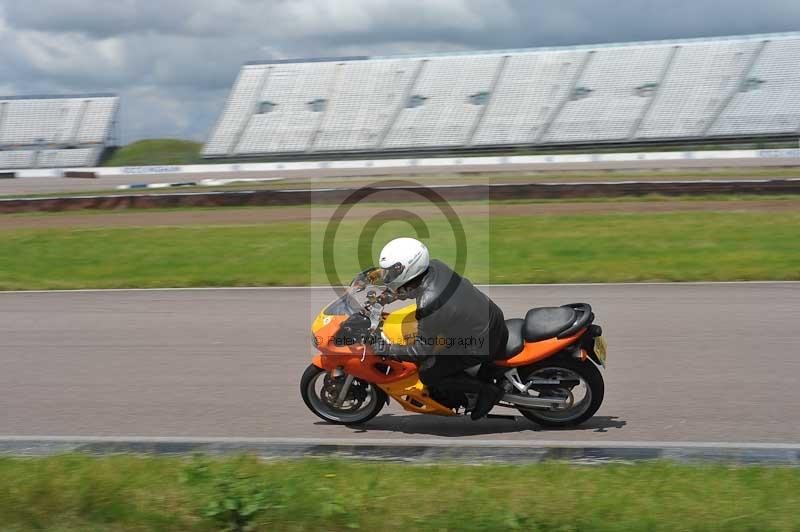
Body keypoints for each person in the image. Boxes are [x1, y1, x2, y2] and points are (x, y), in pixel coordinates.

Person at [373, 237, 508, 420]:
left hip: (482, 342)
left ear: (409, 268)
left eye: (394, 271)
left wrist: (387, 349)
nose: (389, 276)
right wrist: (385, 298)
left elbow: (419, 351)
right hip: (489, 317)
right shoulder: (434, 267)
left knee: (428, 372)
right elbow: (410, 288)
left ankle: (488, 391)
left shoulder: (430, 301)